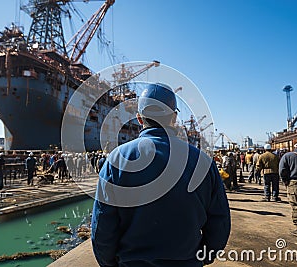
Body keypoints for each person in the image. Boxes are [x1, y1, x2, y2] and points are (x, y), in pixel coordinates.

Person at [91, 83, 230, 266]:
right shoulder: (203, 162)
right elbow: (220, 222)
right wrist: (201, 258)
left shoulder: (116, 160)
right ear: (174, 117)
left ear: (140, 119)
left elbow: (102, 225)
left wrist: (109, 263)